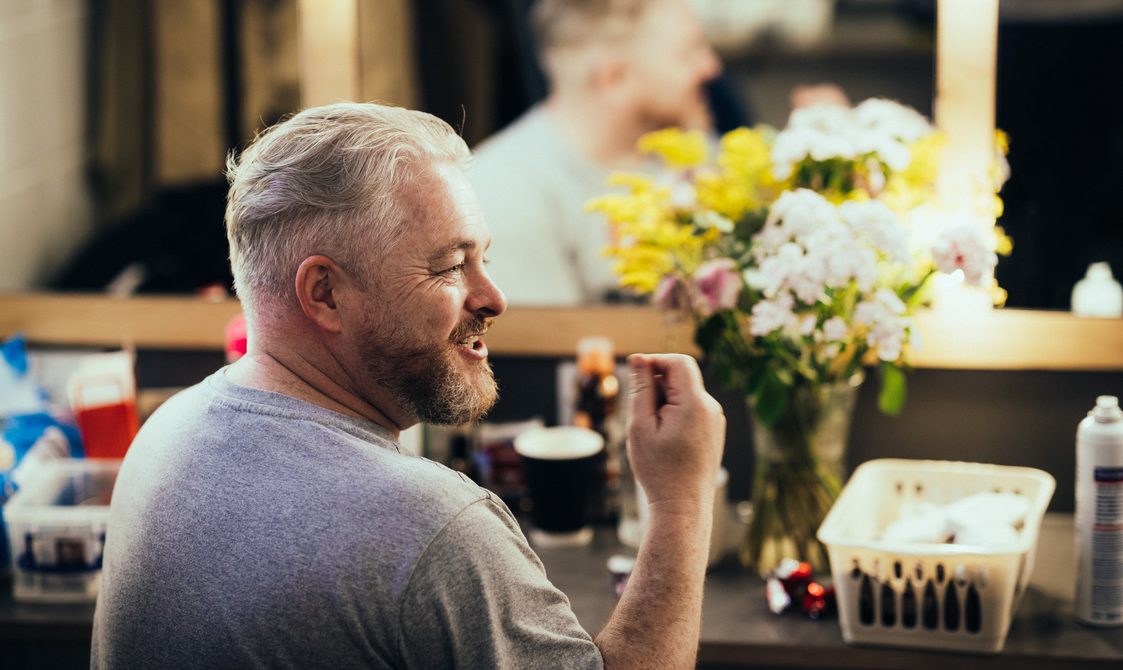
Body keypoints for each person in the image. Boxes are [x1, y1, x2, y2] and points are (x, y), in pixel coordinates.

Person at [91, 102, 726, 669]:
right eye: (451, 265)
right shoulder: (430, 530)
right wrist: (681, 504)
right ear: (325, 293)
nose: (494, 297)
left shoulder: (165, 433)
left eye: (484, 256)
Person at [469, 0, 724, 306]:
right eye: (688, 53)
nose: (711, 67)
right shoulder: (502, 192)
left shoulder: (700, 154)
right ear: (615, 78)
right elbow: (554, 346)